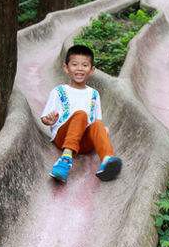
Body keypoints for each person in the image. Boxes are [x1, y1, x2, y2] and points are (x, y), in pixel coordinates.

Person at [41, 44, 122, 183]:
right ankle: (65, 159)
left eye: (84, 65)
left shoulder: (94, 94)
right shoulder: (59, 91)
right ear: (66, 68)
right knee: (81, 115)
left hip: (84, 143)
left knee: (98, 124)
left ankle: (107, 160)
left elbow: (97, 121)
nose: (79, 69)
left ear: (92, 70)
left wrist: (102, 131)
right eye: (74, 64)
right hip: (63, 137)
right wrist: (48, 120)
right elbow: (45, 117)